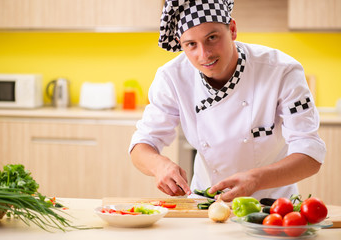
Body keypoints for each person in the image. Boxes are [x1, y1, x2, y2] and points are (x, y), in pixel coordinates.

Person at [129, 0, 326, 202]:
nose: (204, 55)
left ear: (232, 29)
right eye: (191, 45)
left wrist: (256, 180)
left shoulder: (281, 71)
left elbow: (310, 154)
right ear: (181, 44)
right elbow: (142, 144)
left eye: (212, 37)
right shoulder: (172, 78)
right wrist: (159, 166)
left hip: (273, 206)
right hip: (208, 203)